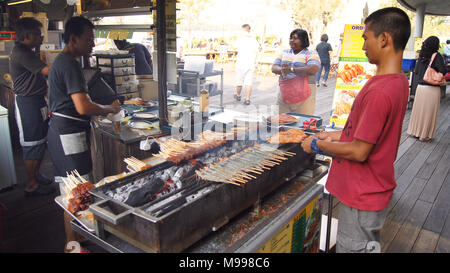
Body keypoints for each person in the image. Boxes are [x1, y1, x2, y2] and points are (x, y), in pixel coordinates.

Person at [301, 7, 411, 253]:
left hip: (363, 195)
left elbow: (360, 151)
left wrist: (317, 145)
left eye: (366, 38)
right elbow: (366, 133)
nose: (363, 46)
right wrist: (334, 135)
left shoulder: (380, 91)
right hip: (372, 191)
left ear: (384, 39)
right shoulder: (398, 81)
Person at [47, 16, 121, 252]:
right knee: (76, 193)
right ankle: (72, 247)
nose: (92, 44)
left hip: (63, 132)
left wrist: (95, 106)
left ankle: (76, 239)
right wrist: (110, 109)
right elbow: (82, 106)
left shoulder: (64, 61)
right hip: (68, 135)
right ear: (73, 39)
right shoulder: (69, 64)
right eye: (88, 39)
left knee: (73, 190)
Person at [9, 17, 54, 196]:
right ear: (26, 35)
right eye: (37, 34)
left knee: (40, 141)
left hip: (36, 101)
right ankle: (31, 184)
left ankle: (36, 174)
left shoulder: (29, 49)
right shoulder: (22, 52)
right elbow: (47, 71)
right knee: (32, 143)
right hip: (28, 103)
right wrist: (68, 61)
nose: (41, 36)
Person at [407, 36, 447, 142]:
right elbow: (443, 70)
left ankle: (415, 132)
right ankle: (424, 135)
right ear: (435, 45)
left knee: (419, 112)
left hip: (420, 89)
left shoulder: (421, 55)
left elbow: (417, 71)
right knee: (429, 113)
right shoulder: (437, 56)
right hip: (432, 89)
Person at [271, 29, 320, 115]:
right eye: (290, 38)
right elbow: (274, 67)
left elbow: (313, 69)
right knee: (279, 121)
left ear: (303, 40)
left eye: (295, 38)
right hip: (284, 94)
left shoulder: (311, 53)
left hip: (305, 97)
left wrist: (291, 70)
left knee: (303, 122)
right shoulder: (284, 52)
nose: (291, 41)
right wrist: (282, 70)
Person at [234, 24, 260, 105]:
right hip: (250, 63)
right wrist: (255, 62)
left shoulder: (240, 39)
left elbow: (235, 48)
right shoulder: (254, 40)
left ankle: (238, 95)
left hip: (241, 62)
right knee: (249, 82)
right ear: (249, 30)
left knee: (239, 80)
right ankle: (247, 99)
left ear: (242, 30)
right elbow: (257, 52)